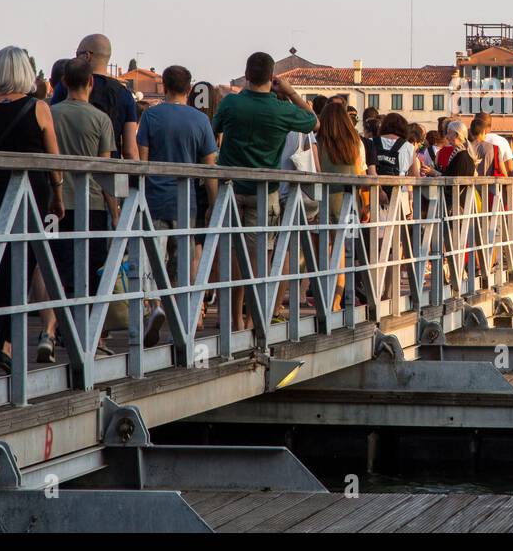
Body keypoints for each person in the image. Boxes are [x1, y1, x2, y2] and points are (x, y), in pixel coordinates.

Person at [0, 46, 63, 373]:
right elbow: (54, 160)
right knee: (26, 260)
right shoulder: (38, 108)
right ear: (26, 73)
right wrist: (58, 194)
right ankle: (10, 338)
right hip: (30, 195)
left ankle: (5, 339)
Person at [211, 53, 317, 331]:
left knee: (233, 256)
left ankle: (234, 320)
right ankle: (253, 319)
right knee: (260, 260)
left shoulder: (231, 103)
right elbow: (313, 122)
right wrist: (290, 91)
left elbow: (216, 128)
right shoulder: (281, 109)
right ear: (272, 77)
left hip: (230, 189)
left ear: (246, 74)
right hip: (265, 193)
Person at [136, 65, 218, 345]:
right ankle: (187, 318)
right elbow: (209, 168)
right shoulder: (200, 120)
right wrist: (215, 203)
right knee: (184, 263)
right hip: (187, 202)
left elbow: (142, 161)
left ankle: (154, 305)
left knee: (153, 260)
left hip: (155, 198)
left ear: (164, 85)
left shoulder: (150, 116)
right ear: (189, 88)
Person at [49, 55, 118, 361]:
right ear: (91, 82)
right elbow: (106, 171)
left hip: (57, 202)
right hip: (92, 205)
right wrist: (115, 208)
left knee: (58, 269)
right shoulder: (101, 119)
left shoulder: (50, 114)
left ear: (63, 82)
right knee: (93, 271)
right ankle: (87, 335)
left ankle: (56, 329)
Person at [314, 101, 367, 311]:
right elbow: (358, 173)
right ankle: (336, 304)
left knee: (323, 254)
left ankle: (323, 301)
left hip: (324, 201)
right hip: (347, 202)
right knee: (341, 258)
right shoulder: (354, 142)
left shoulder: (319, 141)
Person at [51, 34, 138, 160]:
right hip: (106, 173)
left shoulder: (67, 86)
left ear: (87, 56)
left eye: (77, 54)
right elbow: (130, 151)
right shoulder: (124, 95)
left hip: (65, 171)